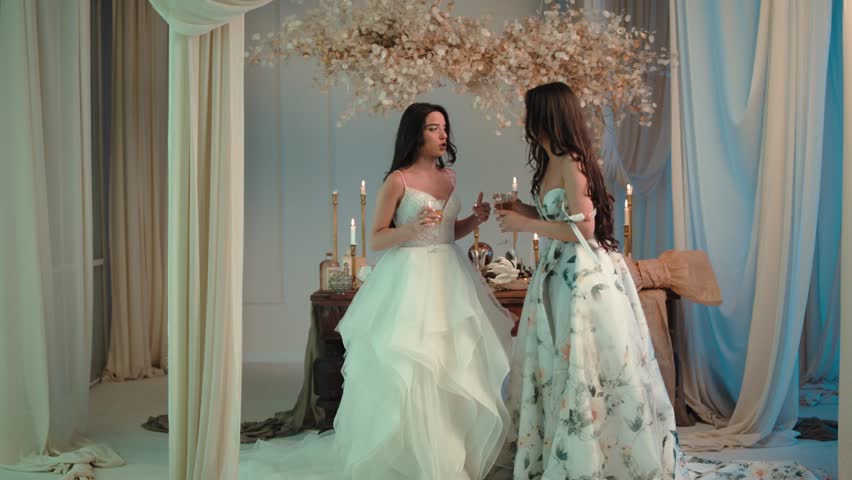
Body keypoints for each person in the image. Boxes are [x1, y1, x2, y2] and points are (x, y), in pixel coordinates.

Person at [241, 102, 515, 480]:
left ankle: (450, 456)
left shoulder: (449, 177)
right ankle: (410, 458)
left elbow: (448, 232)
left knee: (450, 362)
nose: (443, 135)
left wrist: (475, 219)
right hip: (411, 280)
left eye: (444, 128)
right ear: (415, 134)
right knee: (412, 365)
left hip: (449, 278)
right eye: (433, 128)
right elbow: (378, 238)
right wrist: (413, 227)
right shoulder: (397, 181)